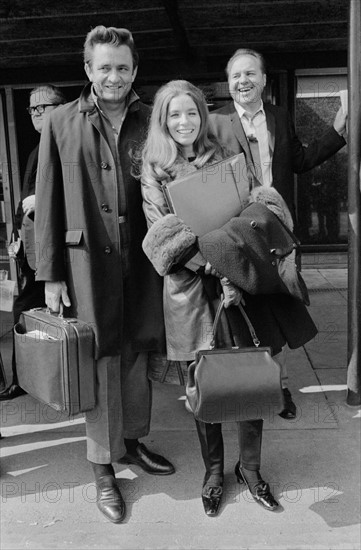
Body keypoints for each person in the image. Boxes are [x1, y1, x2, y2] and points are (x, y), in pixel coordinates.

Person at [140, 79, 317, 518]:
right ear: (163, 121)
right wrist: (215, 263)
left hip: (241, 285)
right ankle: (214, 473)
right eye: (174, 114)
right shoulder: (154, 168)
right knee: (204, 388)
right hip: (190, 291)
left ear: (203, 115)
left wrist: (235, 258)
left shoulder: (224, 154)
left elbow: (253, 209)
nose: (184, 122)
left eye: (192, 112)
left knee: (249, 379)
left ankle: (251, 471)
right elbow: (161, 235)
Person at [34, 26, 174, 524]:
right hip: (84, 263)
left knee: (137, 351)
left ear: (134, 71)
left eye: (122, 67)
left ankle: (132, 444)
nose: (113, 76)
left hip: (142, 260)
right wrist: (50, 275)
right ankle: (102, 469)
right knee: (99, 361)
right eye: (104, 67)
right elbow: (48, 200)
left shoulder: (152, 118)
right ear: (88, 70)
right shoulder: (59, 122)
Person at [209, 48, 348, 418]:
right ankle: (251, 387)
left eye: (250, 74)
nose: (243, 81)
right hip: (238, 231)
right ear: (228, 82)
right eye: (236, 75)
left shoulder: (279, 116)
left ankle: (279, 387)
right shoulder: (215, 122)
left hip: (276, 227)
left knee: (280, 307)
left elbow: (299, 161)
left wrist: (337, 131)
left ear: (264, 80)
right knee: (245, 310)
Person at [0, 85, 67, 402]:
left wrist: (42, 200)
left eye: (44, 106)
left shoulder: (68, 145)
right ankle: (23, 379)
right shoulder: (34, 150)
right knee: (24, 316)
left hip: (60, 250)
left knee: (65, 318)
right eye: (33, 109)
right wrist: (15, 236)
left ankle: (64, 381)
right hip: (31, 250)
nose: (38, 113)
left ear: (60, 106)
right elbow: (24, 201)